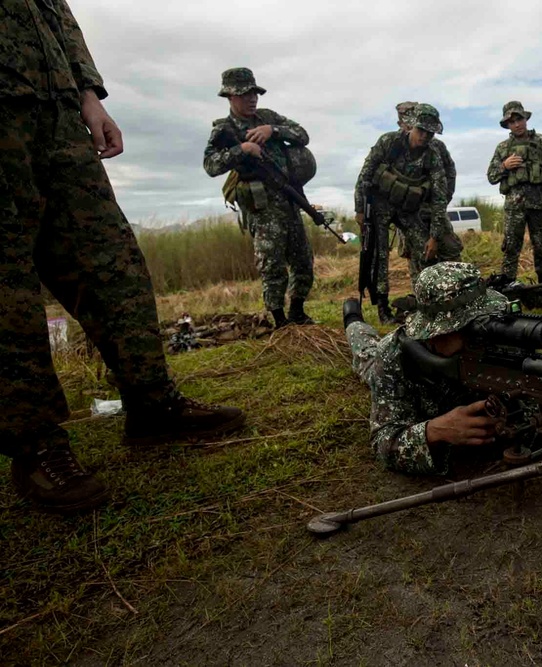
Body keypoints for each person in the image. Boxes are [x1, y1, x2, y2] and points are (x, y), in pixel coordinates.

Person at [2, 0, 244, 513]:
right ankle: (34, 442)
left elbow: (55, 11)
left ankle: (152, 404)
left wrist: (88, 94)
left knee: (114, 264)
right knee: (9, 291)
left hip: (59, 110)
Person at [344, 263, 506, 474]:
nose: (478, 334)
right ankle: (352, 318)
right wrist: (434, 431)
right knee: (367, 355)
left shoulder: (491, 339)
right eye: (467, 327)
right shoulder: (395, 354)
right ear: (436, 334)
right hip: (379, 360)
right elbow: (384, 442)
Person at [203, 68, 315, 328]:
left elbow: (303, 135)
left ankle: (298, 311)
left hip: (290, 199)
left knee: (303, 260)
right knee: (272, 265)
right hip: (262, 208)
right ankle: (279, 320)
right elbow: (210, 165)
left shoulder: (267, 118)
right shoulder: (224, 129)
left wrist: (272, 130)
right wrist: (240, 150)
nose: (252, 99)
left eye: (254, 93)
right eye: (244, 95)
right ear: (229, 96)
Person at [355, 104, 453, 323]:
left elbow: (439, 197)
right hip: (380, 207)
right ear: (411, 127)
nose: (424, 137)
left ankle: (427, 301)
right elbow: (366, 174)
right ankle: (383, 309)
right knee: (380, 257)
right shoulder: (389, 142)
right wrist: (360, 209)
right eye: (421, 131)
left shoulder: (432, 156)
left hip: (408, 209)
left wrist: (434, 236)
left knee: (425, 251)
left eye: (430, 133)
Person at [486, 101, 542, 283]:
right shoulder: (502, 148)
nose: (517, 124)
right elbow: (491, 176)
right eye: (512, 121)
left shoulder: (541, 141)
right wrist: (504, 166)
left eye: (519, 119)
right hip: (514, 207)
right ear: (507, 125)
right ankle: (508, 286)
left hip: (539, 204)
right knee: (511, 247)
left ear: (525, 119)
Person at [394, 102, 463, 270]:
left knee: (451, 250)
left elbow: (450, 172)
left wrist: (444, 198)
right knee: (417, 258)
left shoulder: (436, 146)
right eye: (403, 119)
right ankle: (422, 293)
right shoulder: (394, 145)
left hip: (434, 209)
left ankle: (458, 289)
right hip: (407, 214)